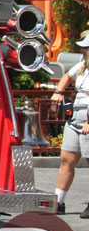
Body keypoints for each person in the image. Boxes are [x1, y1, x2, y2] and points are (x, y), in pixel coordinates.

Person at [50, 30, 89, 218]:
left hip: (88, 119)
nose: (83, 51)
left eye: (85, 48)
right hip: (76, 118)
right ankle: (59, 201)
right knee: (67, 158)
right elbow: (66, 76)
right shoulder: (83, 65)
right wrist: (58, 90)